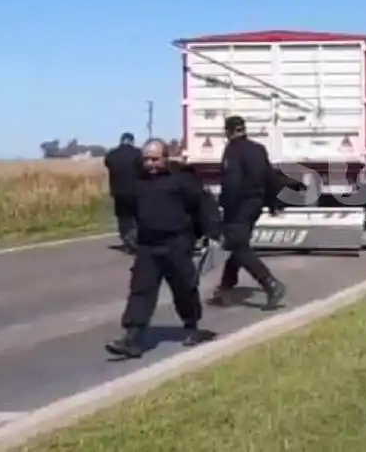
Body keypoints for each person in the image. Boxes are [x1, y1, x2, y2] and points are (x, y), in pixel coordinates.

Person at [106, 138, 221, 359]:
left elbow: (203, 205)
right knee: (141, 290)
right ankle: (133, 337)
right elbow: (126, 211)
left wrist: (211, 231)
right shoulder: (137, 184)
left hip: (176, 243)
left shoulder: (182, 181)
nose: (150, 164)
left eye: (155, 159)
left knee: (185, 288)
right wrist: (129, 233)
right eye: (147, 159)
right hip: (148, 246)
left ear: (165, 158)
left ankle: (192, 326)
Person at [206, 115, 287, 310]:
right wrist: (273, 203)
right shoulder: (258, 149)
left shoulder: (232, 150)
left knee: (238, 246)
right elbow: (271, 177)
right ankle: (225, 287)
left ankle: (270, 283)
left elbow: (232, 183)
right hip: (255, 205)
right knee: (238, 245)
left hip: (238, 206)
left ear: (228, 131)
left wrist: (225, 205)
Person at [104, 132, 143, 253]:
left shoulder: (111, 154)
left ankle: (127, 239)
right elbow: (142, 168)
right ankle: (135, 240)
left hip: (118, 192)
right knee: (137, 217)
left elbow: (107, 164)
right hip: (136, 191)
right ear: (131, 141)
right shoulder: (137, 153)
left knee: (123, 217)